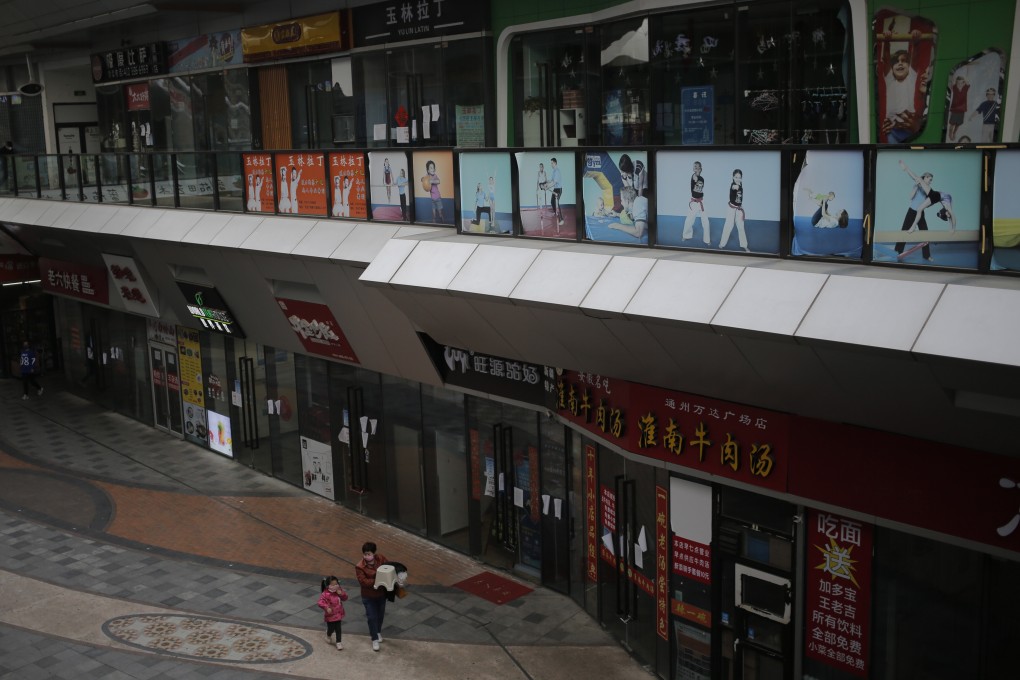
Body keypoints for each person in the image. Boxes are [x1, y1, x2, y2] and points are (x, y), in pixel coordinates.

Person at [882, 49, 929, 143]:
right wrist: (886, 41)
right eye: (896, 62)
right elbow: (886, 60)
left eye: (904, 61)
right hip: (893, 130)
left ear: (909, 66)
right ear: (892, 68)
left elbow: (915, 59)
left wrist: (916, 44)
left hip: (908, 130)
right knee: (894, 155)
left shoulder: (910, 79)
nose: (900, 63)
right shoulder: (889, 81)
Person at [894, 160, 935, 262]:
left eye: (931, 180)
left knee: (925, 233)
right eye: (929, 179)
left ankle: (926, 255)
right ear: (925, 178)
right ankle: (897, 251)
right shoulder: (917, 184)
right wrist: (916, 186)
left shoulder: (928, 189)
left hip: (920, 213)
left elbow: (930, 202)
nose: (930, 181)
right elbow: (911, 197)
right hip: (912, 211)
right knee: (904, 230)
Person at [356, 541, 389, 652]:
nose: (367, 556)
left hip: (381, 594)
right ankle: (374, 639)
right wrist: (378, 579)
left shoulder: (381, 559)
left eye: (369, 554)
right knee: (371, 617)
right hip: (368, 596)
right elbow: (364, 582)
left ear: (374, 553)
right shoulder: (360, 566)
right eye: (365, 554)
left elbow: (389, 568)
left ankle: (378, 632)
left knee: (380, 615)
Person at [718, 169, 750, 252]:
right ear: (733, 177)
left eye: (739, 177)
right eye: (736, 177)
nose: (737, 179)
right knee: (728, 226)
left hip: (739, 208)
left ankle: (744, 245)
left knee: (741, 227)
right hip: (731, 209)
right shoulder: (733, 185)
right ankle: (722, 244)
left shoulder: (740, 183)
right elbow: (735, 187)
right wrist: (737, 186)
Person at [682, 161, 711, 244]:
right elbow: (695, 178)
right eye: (695, 167)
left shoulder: (702, 179)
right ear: (693, 169)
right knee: (689, 220)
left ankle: (707, 240)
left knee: (706, 221)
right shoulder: (693, 176)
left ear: (701, 169)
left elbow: (700, 187)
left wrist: (698, 173)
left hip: (701, 201)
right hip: (694, 202)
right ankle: (686, 235)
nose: (697, 168)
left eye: (698, 167)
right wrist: (696, 173)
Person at [318, 576, 348, 650]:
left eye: (336, 584)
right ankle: (328, 634)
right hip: (330, 615)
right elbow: (320, 602)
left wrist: (341, 594)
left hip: (338, 613)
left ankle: (338, 642)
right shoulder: (325, 594)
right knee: (331, 628)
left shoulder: (339, 590)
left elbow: (345, 598)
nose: (335, 586)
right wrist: (326, 607)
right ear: (328, 585)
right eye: (333, 585)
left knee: (338, 629)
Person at [947, 75, 970, 142]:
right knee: (952, 124)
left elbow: (968, 83)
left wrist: (964, 80)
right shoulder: (954, 88)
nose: (959, 84)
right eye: (958, 83)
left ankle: (954, 133)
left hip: (962, 109)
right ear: (956, 83)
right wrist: (955, 79)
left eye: (961, 83)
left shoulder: (965, 88)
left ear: (963, 83)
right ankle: (950, 134)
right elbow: (952, 82)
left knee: (958, 124)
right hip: (954, 109)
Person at [549, 157, 564, 229]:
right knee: (552, 202)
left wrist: (547, 186)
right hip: (555, 189)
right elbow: (551, 180)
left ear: (555, 163)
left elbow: (554, 182)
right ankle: (556, 213)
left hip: (558, 190)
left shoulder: (557, 171)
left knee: (556, 203)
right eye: (551, 163)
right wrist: (545, 183)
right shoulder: (554, 171)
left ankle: (561, 220)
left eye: (551, 163)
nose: (551, 164)